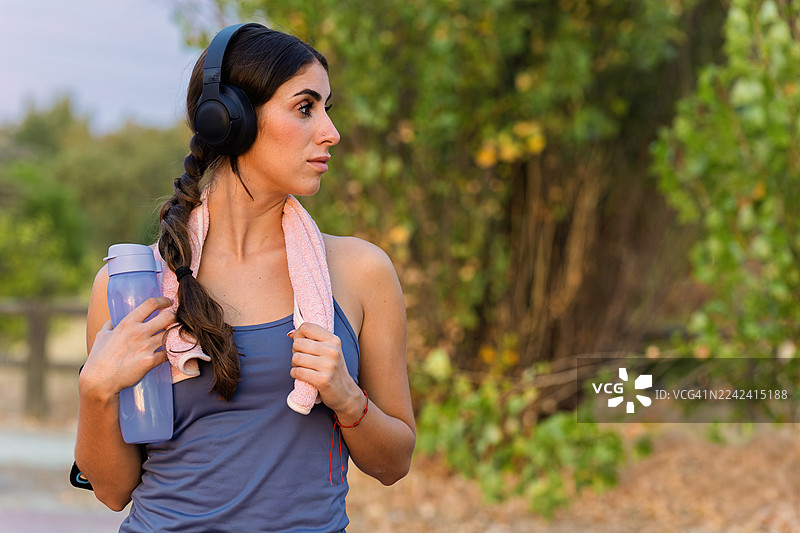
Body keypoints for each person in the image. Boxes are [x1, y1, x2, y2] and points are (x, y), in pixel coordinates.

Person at [74, 23, 415, 532]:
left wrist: (347, 397)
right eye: (305, 108)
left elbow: (394, 463)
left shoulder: (361, 272)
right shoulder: (133, 287)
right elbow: (113, 490)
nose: (330, 131)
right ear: (228, 121)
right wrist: (96, 393)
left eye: (327, 108)